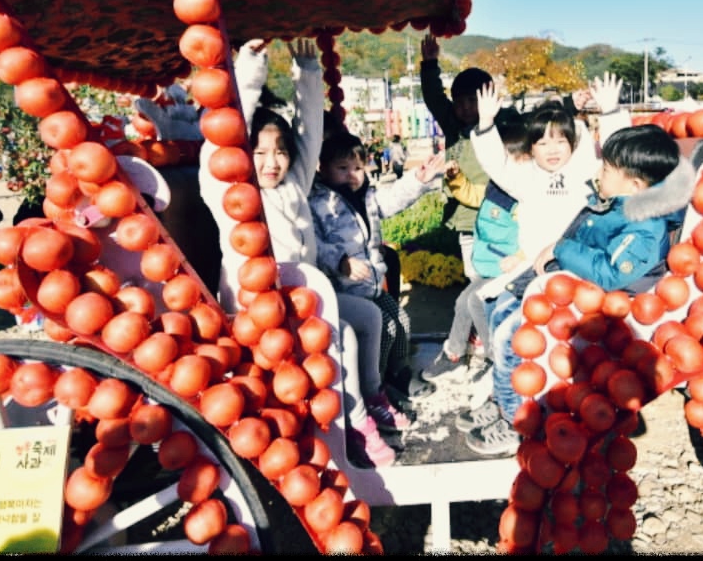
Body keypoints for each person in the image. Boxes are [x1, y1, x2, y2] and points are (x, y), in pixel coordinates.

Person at [196, 38, 399, 468]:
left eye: (280, 153)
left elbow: (310, 132)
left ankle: (373, 394)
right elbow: (221, 139)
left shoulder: (293, 184)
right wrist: (251, 65)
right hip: (258, 313)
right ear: (241, 156)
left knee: (369, 316)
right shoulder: (230, 192)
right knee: (341, 334)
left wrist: (308, 69)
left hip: (306, 301)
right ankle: (356, 427)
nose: (271, 163)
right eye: (259, 153)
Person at [459, 74, 632, 455]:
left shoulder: (585, 175)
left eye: (560, 139)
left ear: (573, 143)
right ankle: (505, 394)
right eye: (541, 141)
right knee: (493, 314)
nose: (552, 149)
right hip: (529, 278)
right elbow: (495, 164)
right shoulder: (526, 178)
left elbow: (618, 152)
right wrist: (486, 125)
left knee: (508, 338)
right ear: (531, 147)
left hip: (564, 280)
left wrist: (612, 111)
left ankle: (512, 419)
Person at [309, 132, 445, 408]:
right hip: (344, 288)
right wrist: (340, 262)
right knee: (381, 332)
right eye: (342, 168)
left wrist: (417, 180)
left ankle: (397, 372)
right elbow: (314, 243)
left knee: (401, 322)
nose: (352, 175)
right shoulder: (319, 203)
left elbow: (393, 199)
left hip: (370, 285)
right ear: (322, 168)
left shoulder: (367, 197)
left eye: (358, 168)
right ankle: (376, 383)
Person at [420, 112, 528, 385]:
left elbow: (535, 236)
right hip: (489, 266)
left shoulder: (524, 197)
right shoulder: (494, 188)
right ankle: (455, 355)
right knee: (464, 302)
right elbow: (469, 194)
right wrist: (455, 179)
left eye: (514, 162)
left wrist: (520, 258)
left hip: (509, 270)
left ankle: (497, 360)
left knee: (474, 302)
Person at [420, 33, 502, 282]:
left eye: (472, 100)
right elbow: (434, 97)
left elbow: (535, 121)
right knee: (473, 274)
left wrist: (569, 104)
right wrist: (430, 64)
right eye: (459, 101)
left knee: (500, 270)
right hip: (467, 216)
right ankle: (478, 316)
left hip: (499, 211)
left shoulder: (505, 122)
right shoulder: (453, 125)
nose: (465, 107)